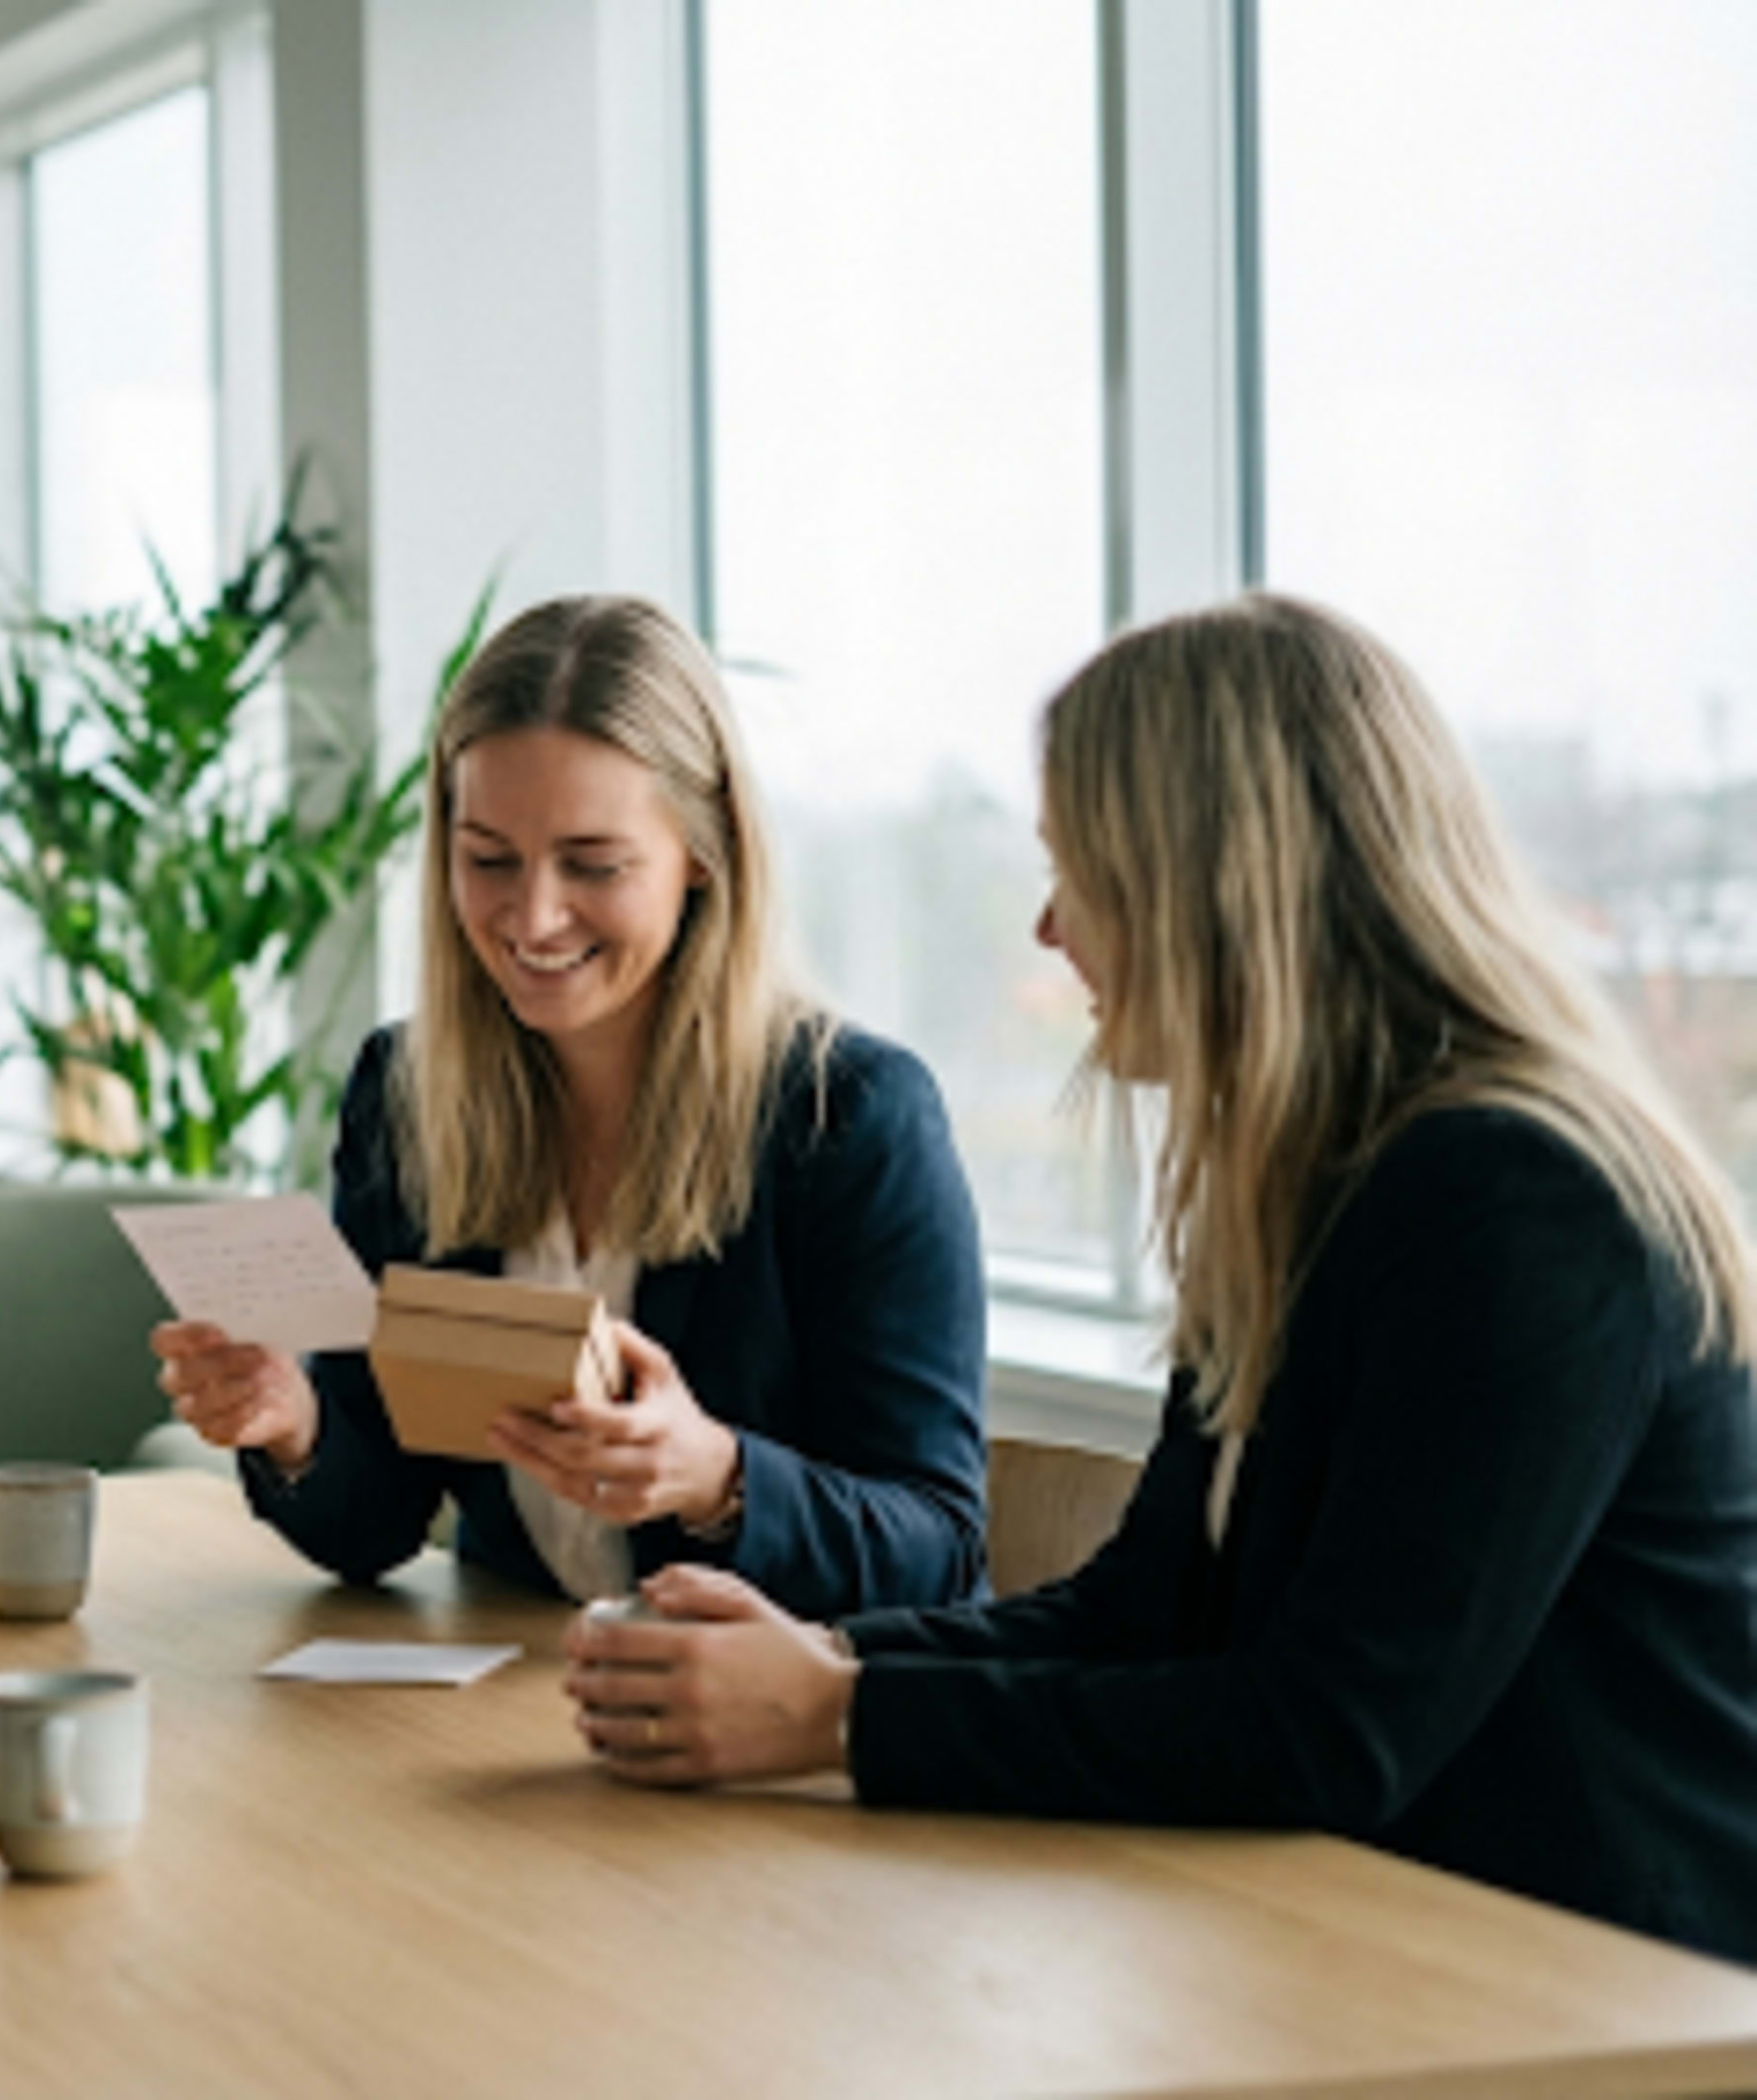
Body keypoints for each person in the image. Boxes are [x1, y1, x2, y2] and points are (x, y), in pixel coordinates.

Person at [561, 595, 1757, 1965]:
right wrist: (829, 1656)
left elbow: (1323, 1734)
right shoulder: (1318, 1182)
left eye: (1084, 872)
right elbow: (1145, 1612)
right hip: (1389, 1951)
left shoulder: (1522, 1204)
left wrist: (837, 1718)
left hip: (1610, 2000)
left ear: (1212, 887)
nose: (1050, 928)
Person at [153, 594, 990, 1620]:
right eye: (488, 859)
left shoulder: (853, 1119)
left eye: (594, 865)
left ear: (704, 855)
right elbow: (376, 1523)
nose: (533, 917)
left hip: (773, 1742)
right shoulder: (410, 1094)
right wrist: (297, 1427)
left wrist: (718, 1479)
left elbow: (940, 1552)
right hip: (527, 1710)